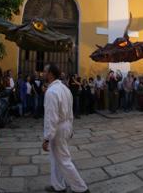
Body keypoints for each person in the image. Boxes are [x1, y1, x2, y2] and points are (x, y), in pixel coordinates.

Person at [42, 63, 89, 193]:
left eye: (45, 71)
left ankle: (81, 188)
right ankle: (58, 185)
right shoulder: (65, 89)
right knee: (56, 158)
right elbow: (70, 112)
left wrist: (46, 138)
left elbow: (51, 118)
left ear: (51, 74)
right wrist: (71, 128)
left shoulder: (52, 92)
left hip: (58, 129)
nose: (43, 73)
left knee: (63, 160)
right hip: (65, 126)